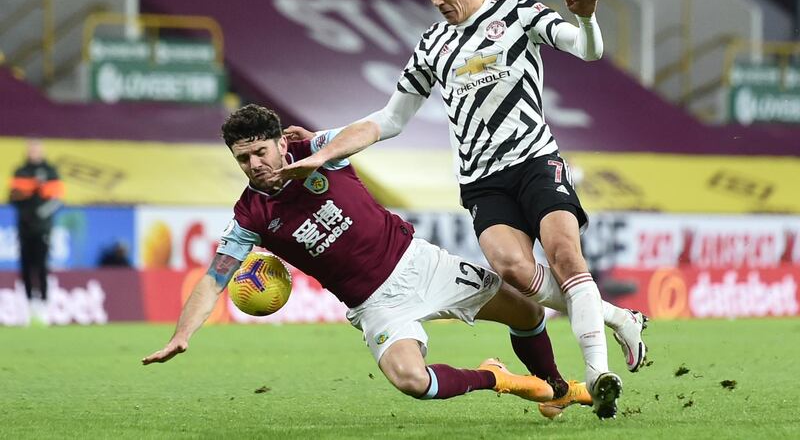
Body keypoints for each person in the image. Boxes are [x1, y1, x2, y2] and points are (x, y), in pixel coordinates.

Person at [278, 0, 647, 419]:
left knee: (564, 253)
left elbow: (588, 49)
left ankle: (599, 372)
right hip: (482, 181)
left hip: (536, 161)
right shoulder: (432, 46)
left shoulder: (519, 13)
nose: (436, 0)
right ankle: (618, 317)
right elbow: (389, 118)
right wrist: (323, 146)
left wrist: (585, 18)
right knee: (512, 269)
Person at [143, 104, 593, 418]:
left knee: (529, 311)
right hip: (375, 304)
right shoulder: (250, 215)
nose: (255, 164)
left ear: (282, 143)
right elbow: (214, 279)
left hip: (421, 264)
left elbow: (365, 130)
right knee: (412, 381)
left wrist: (320, 153)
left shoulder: (319, 152)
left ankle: (554, 388)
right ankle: (498, 378)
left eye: (261, 151)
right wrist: (183, 334)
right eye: (243, 159)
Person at [8, 140, 64, 325]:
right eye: (31, 150)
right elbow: (12, 197)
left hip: (43, 229)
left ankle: (45, 306)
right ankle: (28, 305)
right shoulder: (20, 171)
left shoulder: (50, 171)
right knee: (25, 267)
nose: (33, 153)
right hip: (24, 228)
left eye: (36, 149)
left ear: (41, 151)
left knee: (41, 267)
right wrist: (32, 189)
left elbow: (57, 199)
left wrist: (41, 213)